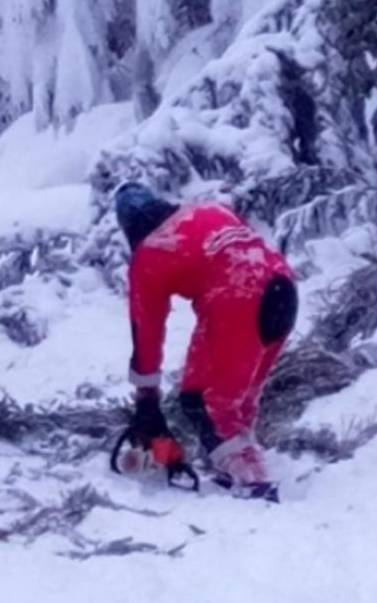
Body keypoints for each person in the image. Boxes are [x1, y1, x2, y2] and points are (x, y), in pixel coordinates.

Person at [113, 182, 297, 488]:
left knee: (209, 403)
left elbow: (146, 329)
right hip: (283, 287)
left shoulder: (150, 251)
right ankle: (238, 464)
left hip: (239, 298)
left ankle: (254, 486)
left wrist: (147, 397)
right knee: (234, 399)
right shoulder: (207, 207)